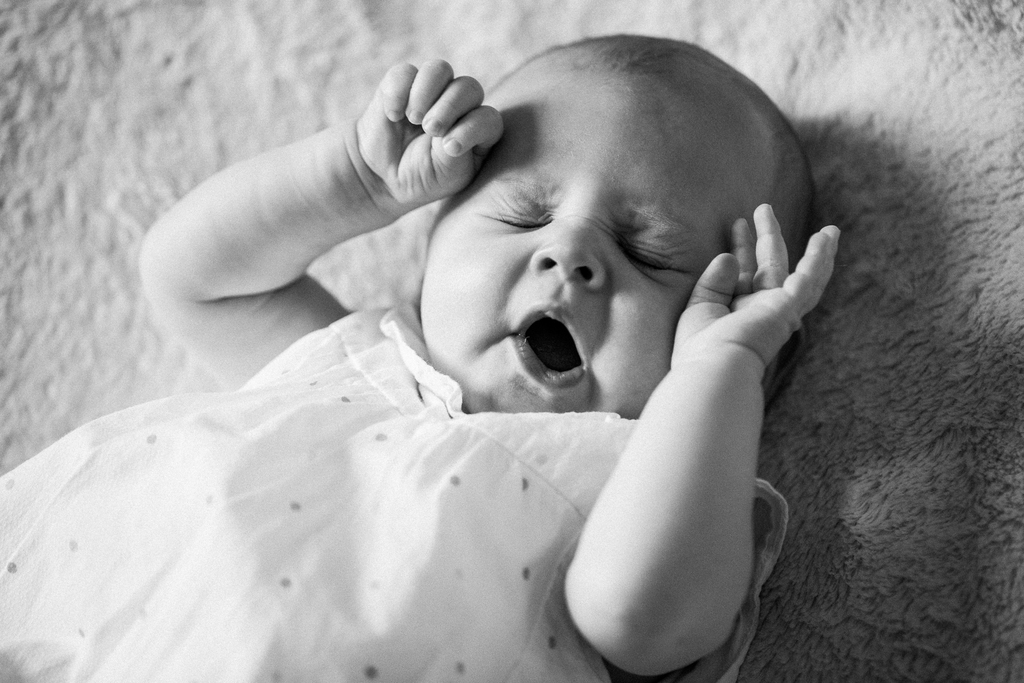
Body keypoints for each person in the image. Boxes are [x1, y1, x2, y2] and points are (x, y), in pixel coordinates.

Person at [0, 35, 838, 682]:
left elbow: (641, 618)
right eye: (520, 214)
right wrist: (355, 183)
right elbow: (189, 280)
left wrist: (716, 375)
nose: (571, 251)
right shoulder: (354, 361)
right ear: (431, 248)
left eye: (650, 253)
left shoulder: (634, 490)